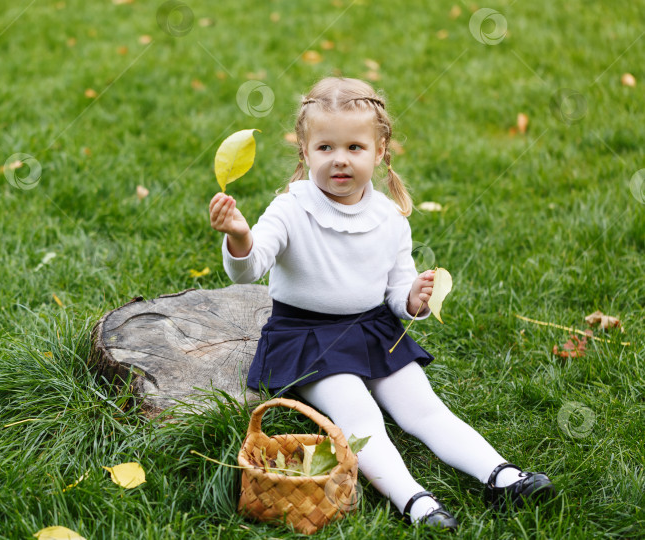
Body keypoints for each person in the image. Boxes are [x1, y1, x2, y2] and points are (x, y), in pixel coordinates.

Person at [209, 77, 556, 530]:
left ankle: (502, 476)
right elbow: (250, 267)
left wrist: (413, 299)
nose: (339, 159)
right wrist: (239, 236)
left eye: (355, 147)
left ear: (380, 150)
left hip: (373, 330)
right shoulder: (290, 209)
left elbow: (396, 291)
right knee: (360, 415)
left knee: (423, 407)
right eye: (325, 148)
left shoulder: (389, 218)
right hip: (307, 337)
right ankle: (414, 500)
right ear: (305, 152)